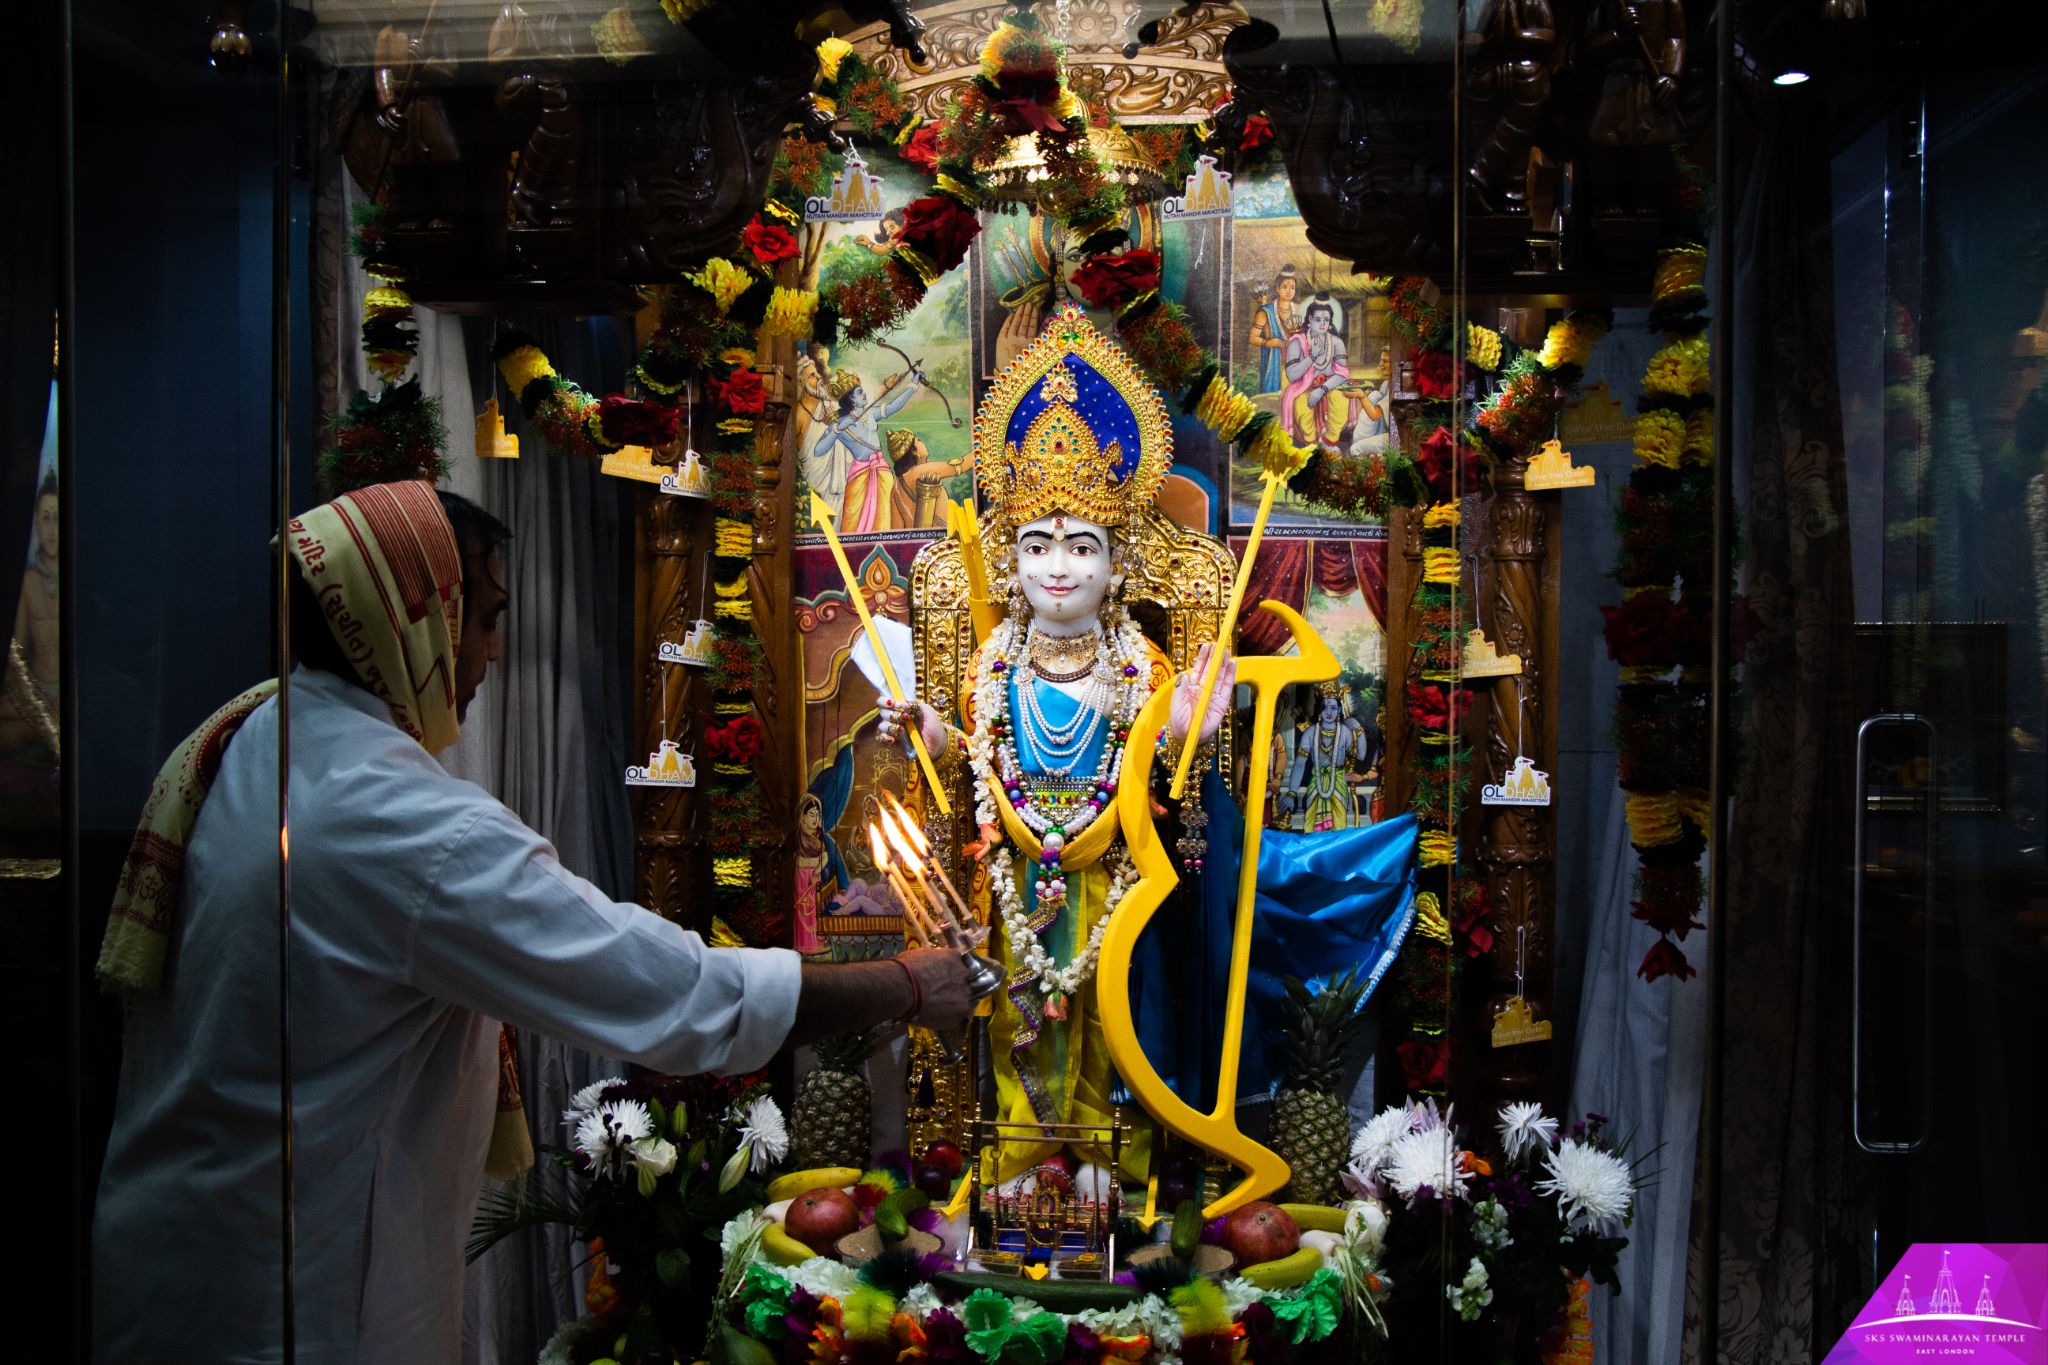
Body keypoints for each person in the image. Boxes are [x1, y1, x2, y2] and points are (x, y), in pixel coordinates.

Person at [90, 480, 973, 1364]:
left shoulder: (248, 738)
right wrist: (903, 983)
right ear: (416, 626)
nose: (494, 652)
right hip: (298, 1307)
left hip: (172, 1263)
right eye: (482, 619)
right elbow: (679, 993)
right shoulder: (399, 822)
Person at [1281, 296, 1353, 451]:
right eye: (1318, 319)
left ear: (1330, 322)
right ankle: (1311, 446)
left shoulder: (1336, 342)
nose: (1322, 324)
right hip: (1303, 386)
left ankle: (1329, 443)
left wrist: (1323, 389)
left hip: (1329, 385)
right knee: (1302, 404)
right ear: (1309, 320)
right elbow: (1292, 375)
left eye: (1326, 320)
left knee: (1341, 399)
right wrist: (1312, 356)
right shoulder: (1297, 342)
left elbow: (1343, 373)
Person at [886, 428, 974, 529]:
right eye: (919, 441)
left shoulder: (895, 487)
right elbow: (960, 466)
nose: (922, 443)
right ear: (914, 451)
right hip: (942, 536)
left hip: (920, 541)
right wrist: (984, 448)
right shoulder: (921, 471)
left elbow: (896, 529)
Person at [1246, 264, 1301, 394]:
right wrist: (1268, 343)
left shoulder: (1299, 310)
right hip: (1273, 363)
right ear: (1277, 289)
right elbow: (1252, 338)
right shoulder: (1265, 312)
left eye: (1292, 287)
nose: (1289, 291)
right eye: (1285, 287)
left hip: (1294, 363)